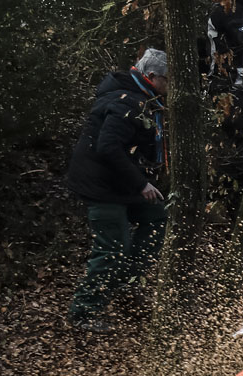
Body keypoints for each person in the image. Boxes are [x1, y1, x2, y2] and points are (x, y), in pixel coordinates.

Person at [66, 49, 169, 333]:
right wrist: (141, 184)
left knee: (156, 218)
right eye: (167, 81)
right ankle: (83, 312)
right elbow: (108, 147)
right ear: (151, 77)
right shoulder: (128, 101)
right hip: (101, 185)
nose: (170, 87)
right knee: (113, 247)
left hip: (120, 181)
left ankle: (122, 283)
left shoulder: (142, 97)